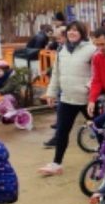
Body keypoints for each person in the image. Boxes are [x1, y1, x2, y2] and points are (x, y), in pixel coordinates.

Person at [39, 21, 97, 176]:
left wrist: (89, 87)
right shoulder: (62, 50)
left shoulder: (91, 50)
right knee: (62, 131)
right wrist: (51, 92)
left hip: (87, 99)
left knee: (99, 129)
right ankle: (56, 163)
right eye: (70, 30)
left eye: (76, 31)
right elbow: (56, 74)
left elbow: (97, 73)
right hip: (67, 98)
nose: (72, 33)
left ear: (82, 33)